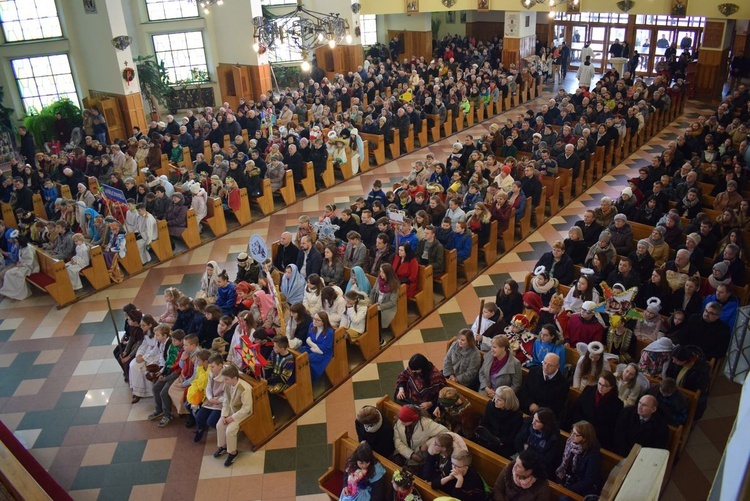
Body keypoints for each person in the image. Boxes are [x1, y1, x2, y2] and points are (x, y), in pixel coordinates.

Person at [569, 371, 622, 450]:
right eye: (599, 384)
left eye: (605, 386)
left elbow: (610, 426)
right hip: (580, 427)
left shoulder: (617, 404)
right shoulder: (589, 390)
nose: (601, 387)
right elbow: (577, 409)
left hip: (598, 436)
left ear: (611, 387)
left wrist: (591, 431)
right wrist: (582, 427)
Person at [213, 364, 254, 467]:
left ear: (234, 378)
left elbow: (247, 408)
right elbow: (226, 401)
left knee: (230, 430)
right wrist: (224, 415)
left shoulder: (245, 389)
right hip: (232, 410)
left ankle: (233, 453)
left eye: (226, 379)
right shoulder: (227, 384)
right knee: (220, 425)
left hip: (242, 414)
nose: (224, 381)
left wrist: (232, 418)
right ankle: (223, 446)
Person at [391, 404, 447, 469]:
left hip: (420, 456)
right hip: (402, 452)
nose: (401, 422)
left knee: (408, 476)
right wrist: (411, 454)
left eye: (404, 421)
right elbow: (397, 440)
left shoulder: (427, 424)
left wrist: (427, 443)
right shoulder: (400, 421)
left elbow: (446, 433)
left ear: (413, 419)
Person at [556, 421, 602, 497]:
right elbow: (564, 465)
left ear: (585, 438)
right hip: (570, 479)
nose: (572, 436)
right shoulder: (570, 444)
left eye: (576, 435)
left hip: (581, 486)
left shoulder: (593, 456)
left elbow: (588, 481)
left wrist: (567, 489)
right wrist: (560, 481)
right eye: (572, 432)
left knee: (563, 498)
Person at [475, 386, 523, 458]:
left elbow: (513, 436)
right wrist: (490, 437)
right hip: (489, 437)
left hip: (505, 444)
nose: (495, 400)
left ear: (507, 402)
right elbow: (485, 423)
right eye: (495, 396)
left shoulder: (517, 415)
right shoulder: (490, 405)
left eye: (499, 400)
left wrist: (500, 441)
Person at [518, 353, 569, 418]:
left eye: (550, 365)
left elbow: (557, 405)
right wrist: (530, 404)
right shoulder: (533, 371)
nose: (546, 367)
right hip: (526, 408)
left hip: (544, 416)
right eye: (544, 363)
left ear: (557, 366)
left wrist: (539, 409)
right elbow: (524, 390)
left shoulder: (563, 383)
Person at [514, 407, 560, 476]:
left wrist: (528, 450)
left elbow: (546, 459)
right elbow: (518, 442)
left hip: (538, 467)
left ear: (545, 424)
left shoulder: (553, 437)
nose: (533, 422)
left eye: (537, 421)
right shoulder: (528, 423)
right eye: (533, 418)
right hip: (521, 458)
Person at [192, 354, 226, 443]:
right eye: (210, 366)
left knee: (211, 421)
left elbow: (228, 394)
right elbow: (208, 387)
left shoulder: (226, 375)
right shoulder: (212, 373)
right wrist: (210, 398)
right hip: (211, 400)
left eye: (212, 367)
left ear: (220, 366)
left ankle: (223, 435)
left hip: (221, 403)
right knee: (198, 416)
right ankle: (200, 429)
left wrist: (218, 400)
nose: (210, 369)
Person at [0, 234, 38, 300]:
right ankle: (12, 292)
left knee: (12, 274)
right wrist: (19, 263)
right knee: (8, 273)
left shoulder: (28, 249)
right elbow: (22, 258)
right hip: (23, 265)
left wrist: (21, 264)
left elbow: (30, 262)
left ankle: (20, 293)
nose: (16, 243)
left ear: (21, 242)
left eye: (16, 242)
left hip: (30, 268)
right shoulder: (21, 247)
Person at [300, 311, 335, 381]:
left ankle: (309, 380)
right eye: (314, 318)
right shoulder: (312, 325)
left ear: (323, 322)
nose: (314, 321)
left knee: (309, 360)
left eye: (317, 320)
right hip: (312, 348)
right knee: (301, 353)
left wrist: (311, 343)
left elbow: (325, 347)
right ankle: (301, 377)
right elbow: (308, 338)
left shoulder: (329, 332)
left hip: (325, 353)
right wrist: (312, 345)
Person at [370, 263, 400, 343]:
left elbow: (392, 302)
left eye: (383, 272)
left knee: (376, 318)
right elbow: (373, 291)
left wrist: (379, 307)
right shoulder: (378, 279)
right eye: (380, 272)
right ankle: (371, 336)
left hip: (386, 308)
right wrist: (371, 303)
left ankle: (380, 339)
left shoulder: (394, 285)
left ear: (388, 274)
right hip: (376, 303)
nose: (381, 274)